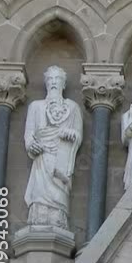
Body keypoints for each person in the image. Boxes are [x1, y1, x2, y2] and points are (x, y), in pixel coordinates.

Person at [24, 66, 83, 229]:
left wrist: (71, 134)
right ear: (46, 83)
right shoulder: (36, 106)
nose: (54, 82)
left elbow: (78, 134)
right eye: (50, 79)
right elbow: (29, 133)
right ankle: (39, 220)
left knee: (59, 194)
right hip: (42, 158)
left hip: (61, 157)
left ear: (64, 84)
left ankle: (57, 221)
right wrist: (31, 145)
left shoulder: (73, 107)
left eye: (57, 79)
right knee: (40, 193)